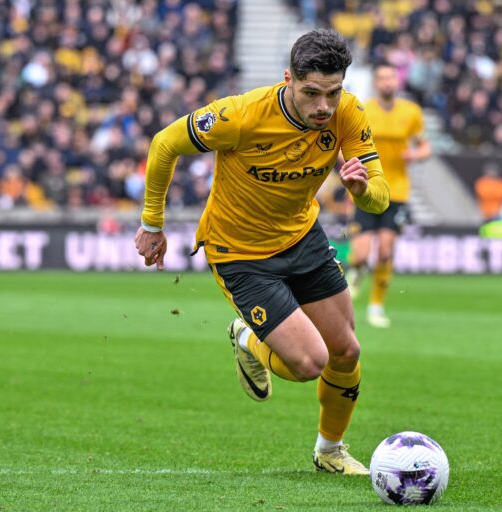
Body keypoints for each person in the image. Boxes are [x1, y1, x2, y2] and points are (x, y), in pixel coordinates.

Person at [134, 29, 388, 475]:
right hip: (240, 252)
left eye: (333, 93)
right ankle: (247, 337)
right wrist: (152, 223)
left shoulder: (347, 113)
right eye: (311, 93)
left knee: (346, 351)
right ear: (288, 78)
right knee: (311, 362)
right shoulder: (240, 115)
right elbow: (164, 144)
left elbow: (380, 197)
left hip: (302, 236)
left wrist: (361, 193)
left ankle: (330, 451)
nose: (323, 107)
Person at [345, 61, 431, 328]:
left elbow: (425, 146)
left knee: (385, 251)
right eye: (382, 78)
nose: (387, 82)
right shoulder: (363, 110)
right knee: (360, 254)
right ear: (375, 83)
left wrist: (415, 154)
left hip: (397, 190)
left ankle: (376, 306)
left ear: (398, 81)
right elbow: (343, 144)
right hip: (367, 189)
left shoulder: (411, 112)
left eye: (391, 77)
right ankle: (357, 272)